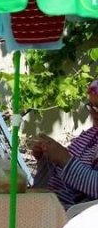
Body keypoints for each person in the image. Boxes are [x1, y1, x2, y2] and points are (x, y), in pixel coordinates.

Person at [33, 79, 98, 210]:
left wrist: (64, 159)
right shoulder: (91, 135)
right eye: (91, 106)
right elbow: (62, 174)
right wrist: (47, 156)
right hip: (64, 212)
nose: (93, 111)